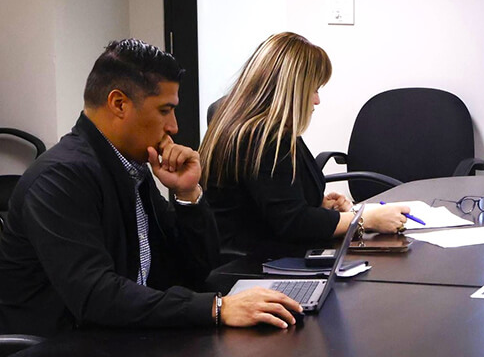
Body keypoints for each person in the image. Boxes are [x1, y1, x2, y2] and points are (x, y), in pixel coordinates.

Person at [0, 39, 302, 337]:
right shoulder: (60, 178)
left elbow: (197, 268)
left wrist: (187, 195)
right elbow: (96, 296)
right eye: (164, 110)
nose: (173, 126)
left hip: (124, 334)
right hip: (64, 349)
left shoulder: (130, 168)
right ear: (119, 104)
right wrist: (217, 309)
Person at [201, 32, 410, 258]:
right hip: (259, 264)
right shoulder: (265, 134)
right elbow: (293, 223)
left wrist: (316, 204)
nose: (316, 100)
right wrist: (364, 219)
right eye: (314, 89)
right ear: (292, 89)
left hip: (244, 249)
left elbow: (264, 199)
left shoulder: (234, 115)